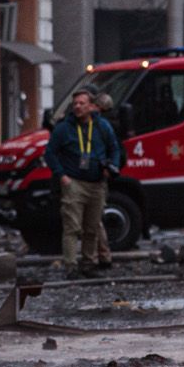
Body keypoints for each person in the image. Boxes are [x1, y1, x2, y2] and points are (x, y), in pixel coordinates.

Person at [46, 85, 122, 275]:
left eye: (82, 103)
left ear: (91, 106)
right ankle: (71, 266)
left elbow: (115, 148)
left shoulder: (102, 126)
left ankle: (89, 264)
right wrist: (62, 175)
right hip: (74, 182)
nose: (78, 107)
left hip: (97, 183)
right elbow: (50, 153)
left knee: (92, 227)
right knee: (72, 227)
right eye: (75, 104)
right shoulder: (64, 128)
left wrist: (112, 166)